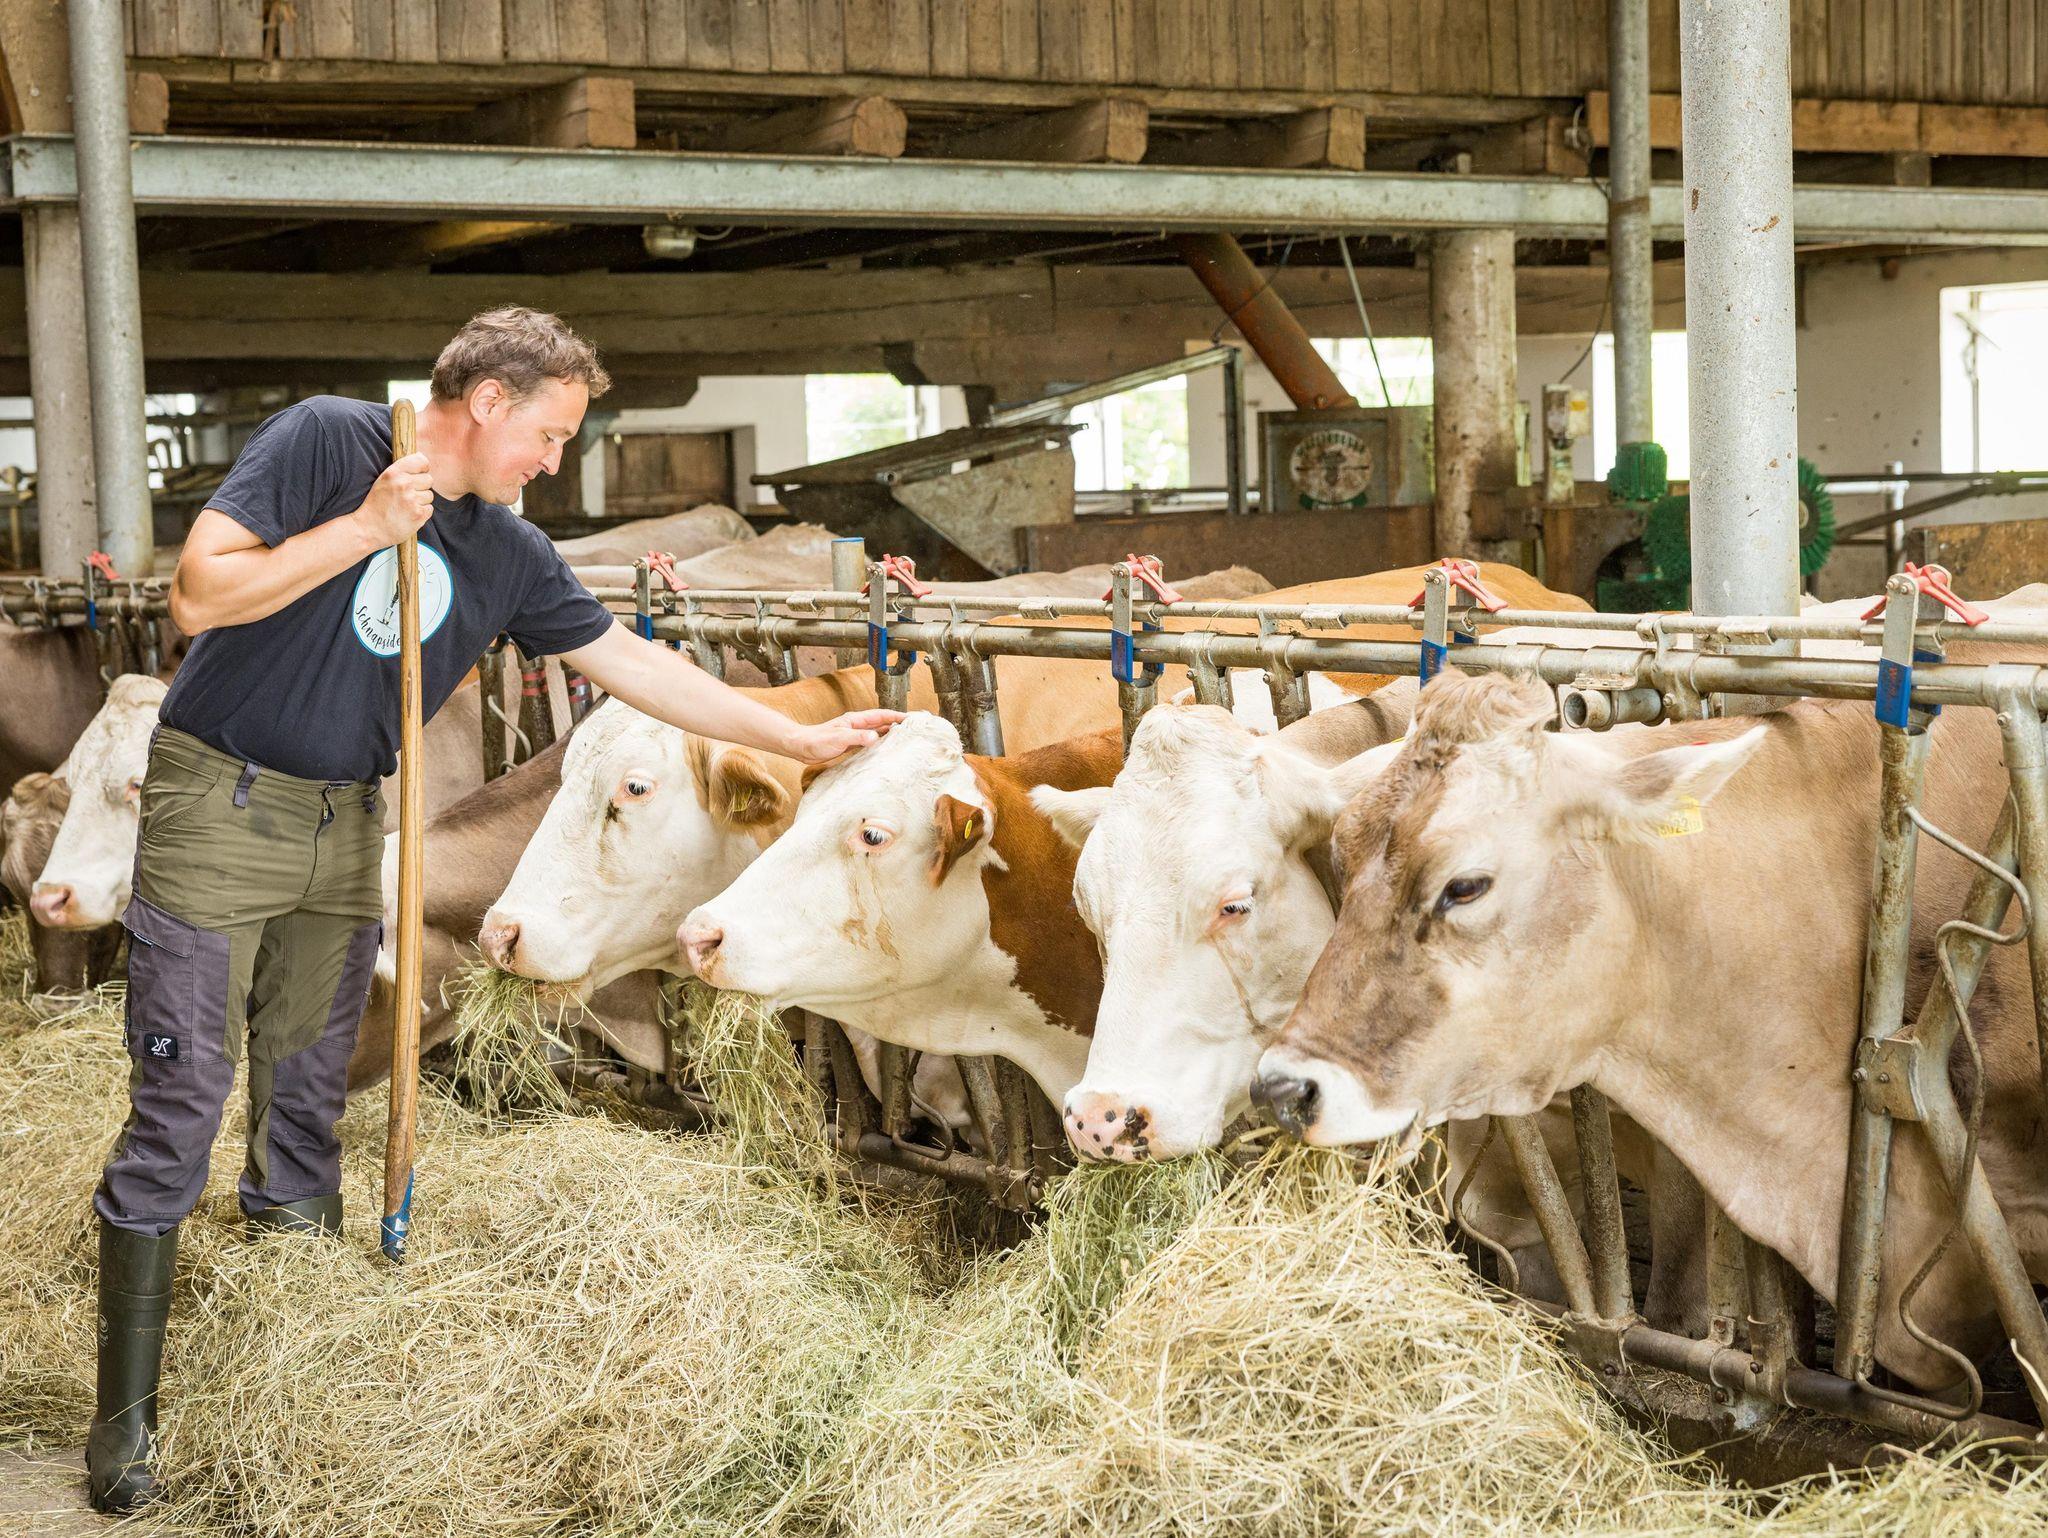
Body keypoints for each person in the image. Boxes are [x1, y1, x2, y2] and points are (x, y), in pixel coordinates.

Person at [84, 306, 898, 1513]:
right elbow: (201, 595)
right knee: (185, 1089)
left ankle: (281, 1381)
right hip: (221, 799)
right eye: (550, 434)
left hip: (347, 817)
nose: (555, 461)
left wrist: (795, 736)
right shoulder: (329, 441)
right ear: (487, 402)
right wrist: (367, 528)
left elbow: (633, 665)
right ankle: (124, 1426)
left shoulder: (508, 551)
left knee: (306, 1092)